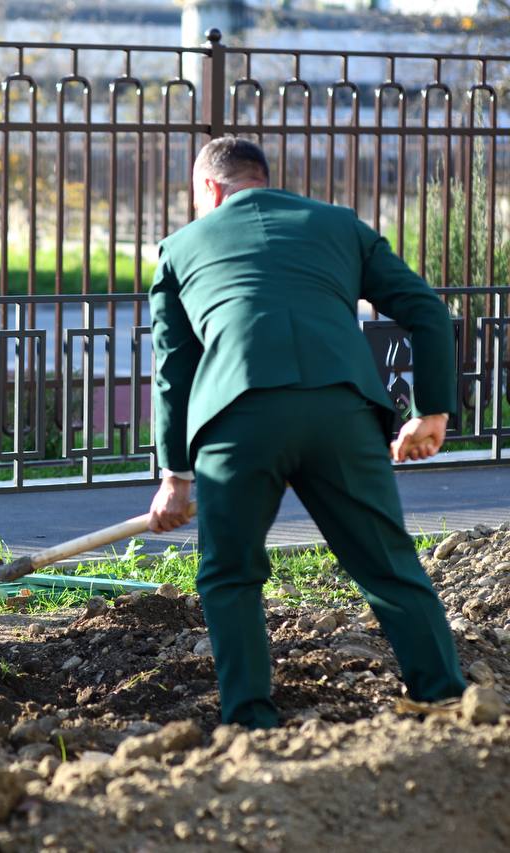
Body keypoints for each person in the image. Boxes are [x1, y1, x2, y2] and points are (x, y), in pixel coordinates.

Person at [146, 136, 466, 728]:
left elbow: (174, 371)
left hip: (238, 421)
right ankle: (441, 696)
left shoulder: (180, 248)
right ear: (263, 180)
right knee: (388, 563)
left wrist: (176, 477)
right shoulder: (341, 226)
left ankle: (250, 719)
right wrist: (431, 411)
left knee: (230, 573)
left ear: (211, 189)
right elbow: (426, 309)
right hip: (340, 414)